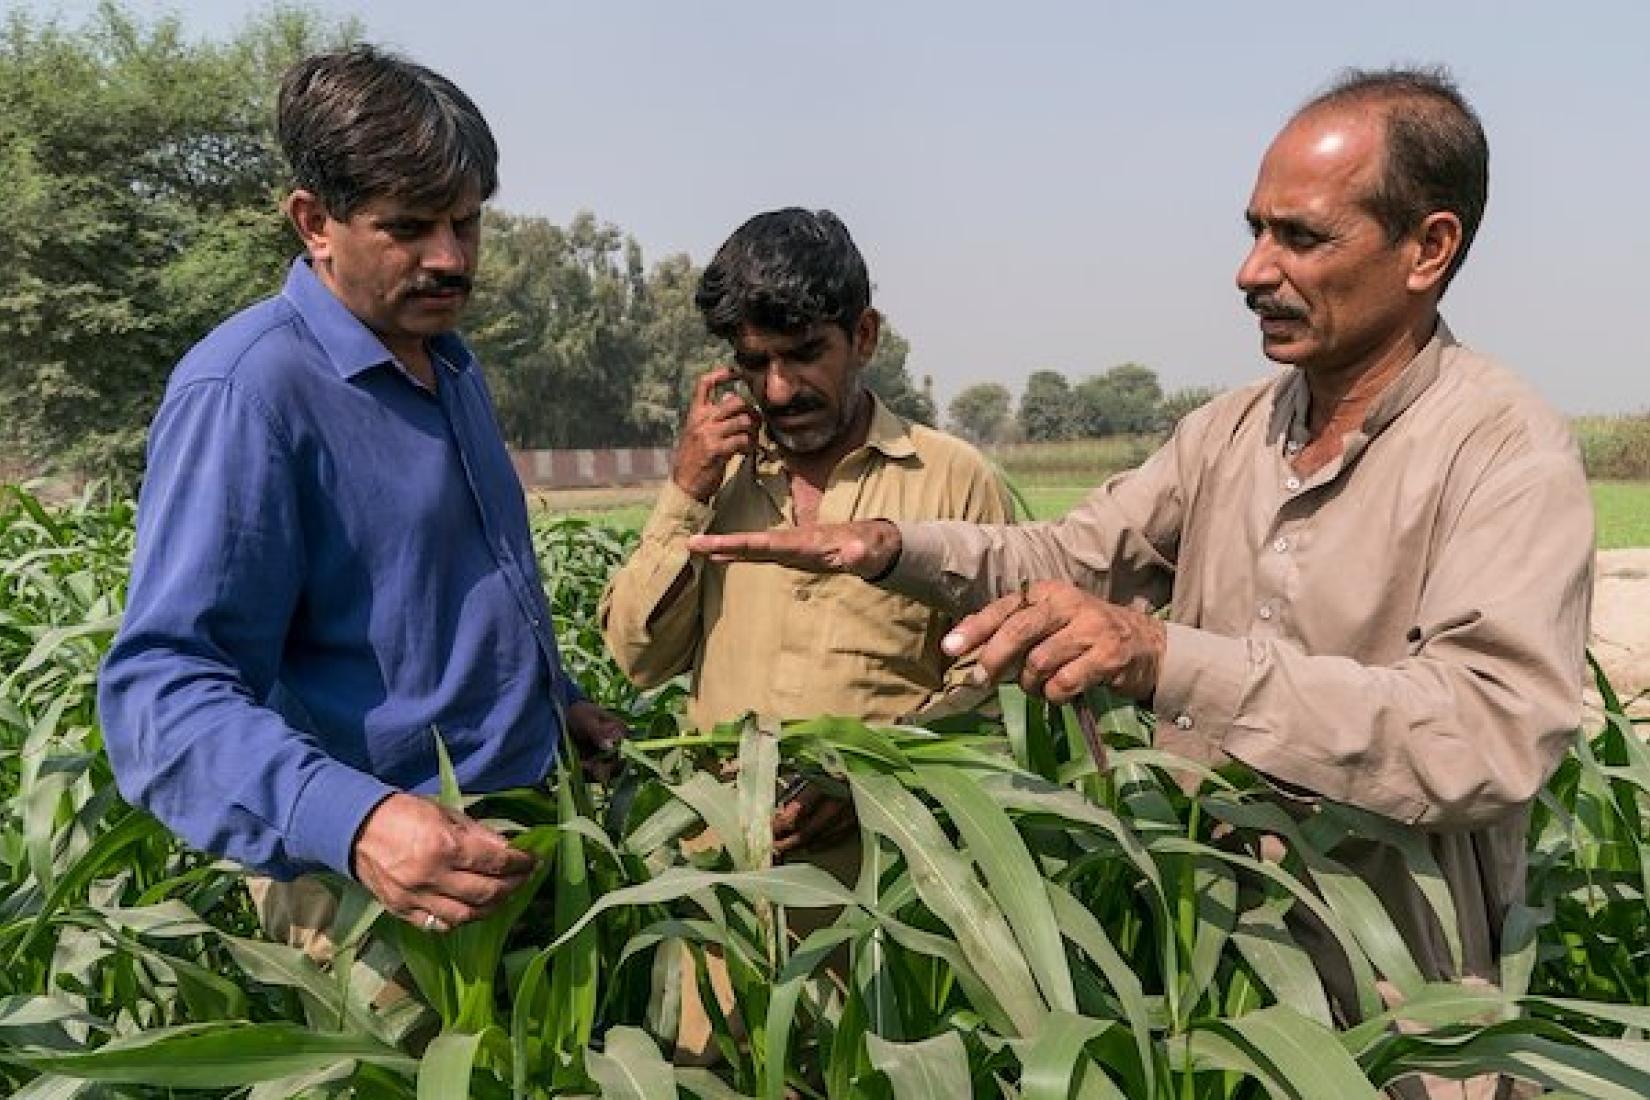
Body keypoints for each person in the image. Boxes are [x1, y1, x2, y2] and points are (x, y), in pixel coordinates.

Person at [688, 68, 1592, 1098]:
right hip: (1210, 981)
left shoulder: (1502, 450)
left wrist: (1165, 657)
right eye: (1255, 229)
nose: (1253, 269)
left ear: (1428, 248)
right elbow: (1071, 555)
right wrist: (888, 543)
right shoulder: (1232, 431)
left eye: (1301, 237)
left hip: (1398, 1012)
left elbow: (1486, 731)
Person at [98, 45, 628, 945]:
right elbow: (162, 690)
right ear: (315, 221)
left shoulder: (451, 365)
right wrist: (357, 820)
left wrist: (554, 702)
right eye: (411, 227)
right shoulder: (247, 393)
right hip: (378, 893)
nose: (451, 258)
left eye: (467, 222)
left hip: (525, 837)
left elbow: (443, 595)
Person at [601, 207, 1012, 844]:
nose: (780, 389)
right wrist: (685, 492)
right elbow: (639, 661)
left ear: (865, 337)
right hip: (723, 902)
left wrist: (876, 779)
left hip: (890, 895)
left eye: (804, 355)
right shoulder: (718, 476)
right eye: (755, 363)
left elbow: (992, 688)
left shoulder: (955, 480)